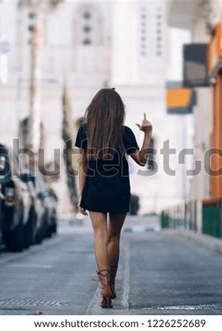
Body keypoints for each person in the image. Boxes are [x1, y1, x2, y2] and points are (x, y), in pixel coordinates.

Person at [75, 88, 152, 309]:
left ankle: (104, 285)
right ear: (118, 110)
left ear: (95, 108)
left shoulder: (85, 131)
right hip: (119, 188)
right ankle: (112, 284)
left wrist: (82, 197)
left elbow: (82, 166)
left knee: (99, 236)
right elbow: (142, 160)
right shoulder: (124, 132)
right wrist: (147, 134)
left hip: (95, 189)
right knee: (113, 238)